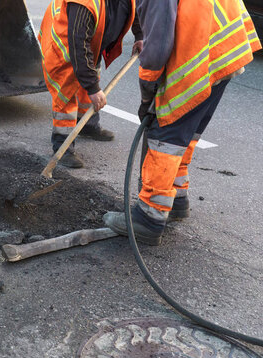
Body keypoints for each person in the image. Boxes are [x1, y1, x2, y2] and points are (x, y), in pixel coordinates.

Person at [104, 0, 261, 245]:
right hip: (228, 47)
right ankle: (176, 199)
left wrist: (147, 98)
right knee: (187, 132)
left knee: (164, 132)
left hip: (204, 52)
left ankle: (149, 217)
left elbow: (156, 55)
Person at [39, 0, 143, 168]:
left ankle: (87, 124)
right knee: (67, 91)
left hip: (91, 39)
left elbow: (135, 8)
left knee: (91, 74)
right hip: (64, 42)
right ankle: (63, 145)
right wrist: (93, 88)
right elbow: (78, 44)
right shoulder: (83, 2)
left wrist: (140, 35)